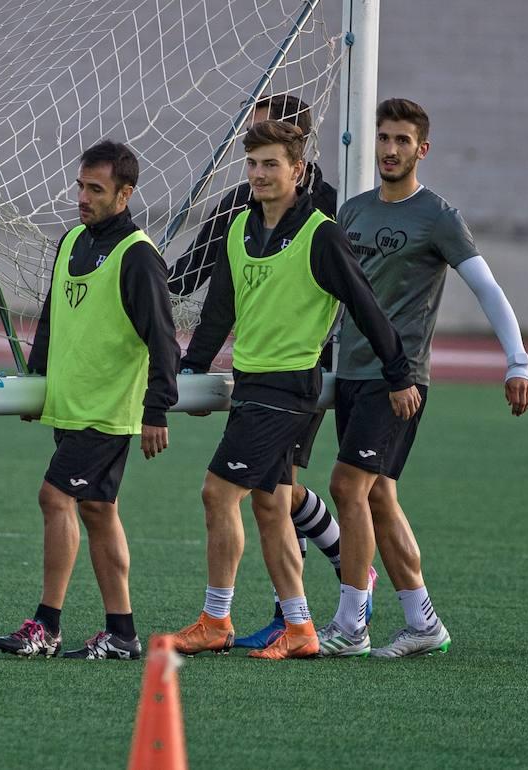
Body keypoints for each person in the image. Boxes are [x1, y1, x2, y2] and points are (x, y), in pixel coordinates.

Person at [172, 120, 416, 660]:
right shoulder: (239, 229)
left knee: (217, 494)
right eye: (253, 165)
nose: (259, 175)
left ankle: (216, 619)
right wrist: (191, 368)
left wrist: (398, 374)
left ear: (297, 170)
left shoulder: (321, 233)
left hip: (286, 390)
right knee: (271, 504)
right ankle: (302, 628)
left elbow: (365, 306)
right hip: (250, 386)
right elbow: (219, 312)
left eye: (271, 164)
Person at [323, 98, 528, 658]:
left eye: (402, 141)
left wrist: (517, 360)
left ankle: (351, 625)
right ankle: (423, 623)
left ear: (422, 148)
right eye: (383, 138)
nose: (390, 150)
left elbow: (487, 288)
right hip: (352, 372)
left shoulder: (437, 216)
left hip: (400, 379)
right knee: (379, 498)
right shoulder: (354, 211)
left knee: (348, 487)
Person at [171, 94, 352, 649]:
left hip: (295, 374)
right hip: (255, 375)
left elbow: (358, 296)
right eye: (251, 152)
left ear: (297, 150)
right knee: (277, 498)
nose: (255, 164)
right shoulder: (237, 210)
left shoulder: (327, 212)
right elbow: (197, 282)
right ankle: (302, 617)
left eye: (268, 151)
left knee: (228, 492)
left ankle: (235, 618)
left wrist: (394, 369)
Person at [0, 140, 179, 660]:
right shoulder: (72, 239)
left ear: (125, 194)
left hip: (106, 411)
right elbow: (51, 319)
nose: (82, 197)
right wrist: (36, 381)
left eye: (95, 189)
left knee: (55, 498)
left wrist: (157, 408)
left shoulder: (138, 255)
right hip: (70, 405)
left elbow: (163, 339)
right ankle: (122, 633)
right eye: (80, 186)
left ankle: (46, 625)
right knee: (98, 510)